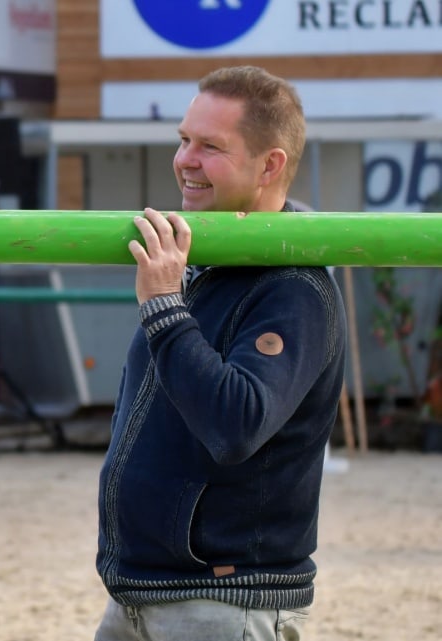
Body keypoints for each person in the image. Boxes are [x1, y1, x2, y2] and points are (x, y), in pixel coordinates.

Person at [95, 66, 346, 640]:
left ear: (270, 164)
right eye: (184, 139)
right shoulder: (207, 263)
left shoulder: (293, 286)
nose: (186, 159)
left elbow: (236, 424)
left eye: (210, 146)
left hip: (223, 600)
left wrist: (163, 305)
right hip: (139, 591)